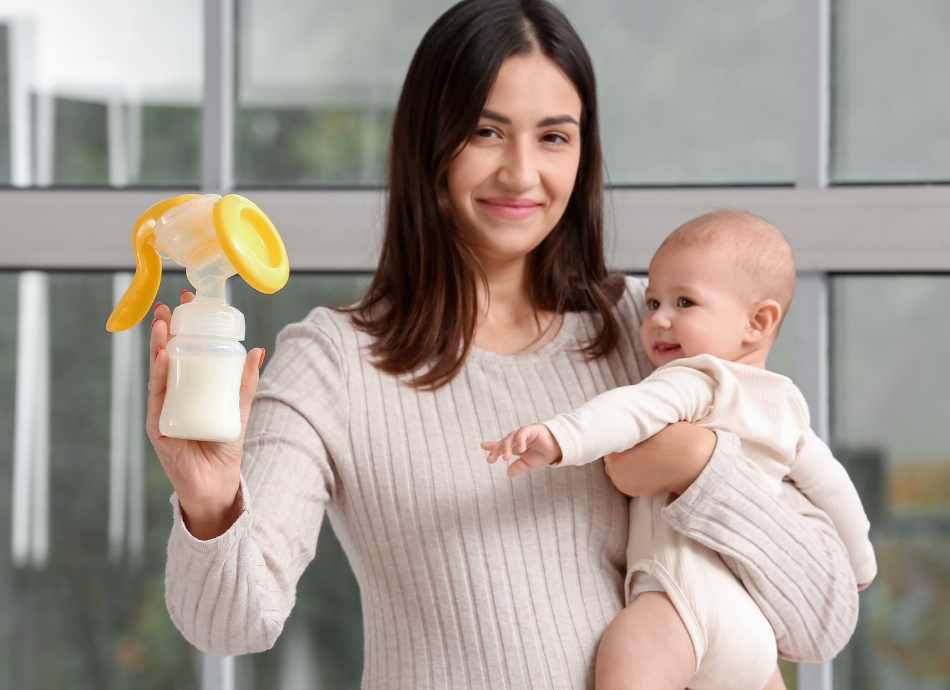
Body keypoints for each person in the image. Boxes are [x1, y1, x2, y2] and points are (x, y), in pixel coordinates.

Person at [146, 1, 860, 687]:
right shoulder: (336, 361)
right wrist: (210, 504)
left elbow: (824, 620)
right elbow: (231, 626)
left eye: (554, 136)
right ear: (430, 142)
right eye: (487, 132)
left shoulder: (652, 332)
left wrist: (702, 464)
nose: (522, 173)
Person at [483, 209, 877, 689]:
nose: (659, 319)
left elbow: (627, 411)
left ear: (758, 321)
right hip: (755, 630)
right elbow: (832, 486)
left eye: (684, 302)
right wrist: (861, 561)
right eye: (652, 303)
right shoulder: (786, 408)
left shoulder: (695, 380)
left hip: (676, 607)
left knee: (627, 661)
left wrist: (560, 438)